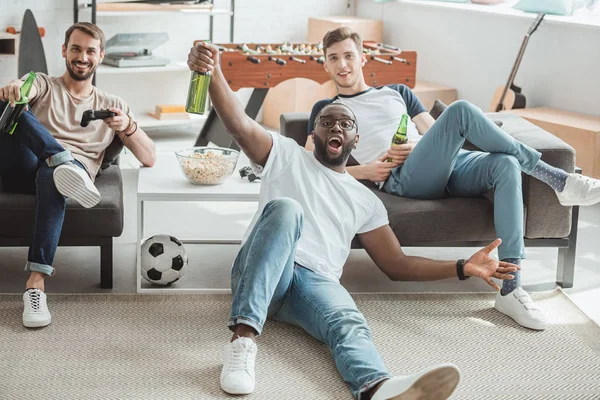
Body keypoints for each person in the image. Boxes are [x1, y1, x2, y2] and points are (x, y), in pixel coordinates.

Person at [187, 40, 520, 400]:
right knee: (287, 209)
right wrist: (213, 72)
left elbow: (397, 264)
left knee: (348, 320)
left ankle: (377, 388)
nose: (336, 126)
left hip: (314, 285)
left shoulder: (366, 199)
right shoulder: (285, 155)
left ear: (355, 138)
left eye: (345, 123)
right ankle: (242, 343)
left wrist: (462, 266)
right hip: (264, 270)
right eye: (326, 121)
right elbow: (238, 123)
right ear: (313, 133)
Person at [306, 27, 600, 331]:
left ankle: (511, 288)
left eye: (348, 56)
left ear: (362, 58)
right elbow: (308, 164)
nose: (342, 65)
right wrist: (365, 170)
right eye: (334, 58)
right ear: (325, 65)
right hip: (403, 178)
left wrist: (417, 147)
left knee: (506, 164)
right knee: (460, 110)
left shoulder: (398, 93)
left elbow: (436, 132)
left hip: (443, 164)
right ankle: (557, 179)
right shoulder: (327, 110)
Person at [0, 22, 156, 328]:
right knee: (12, 107)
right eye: (75, 48)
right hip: (24, 167)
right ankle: (60, 158)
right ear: (64, 51)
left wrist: (127, 127)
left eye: (89, 51)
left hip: (66, 179)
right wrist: (14, 89)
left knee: (54, 176)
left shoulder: (113, 106)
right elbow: (25, 86)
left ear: (100, 56)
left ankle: (35, 284)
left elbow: (149, 157)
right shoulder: (43, 84)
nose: (82, 56)